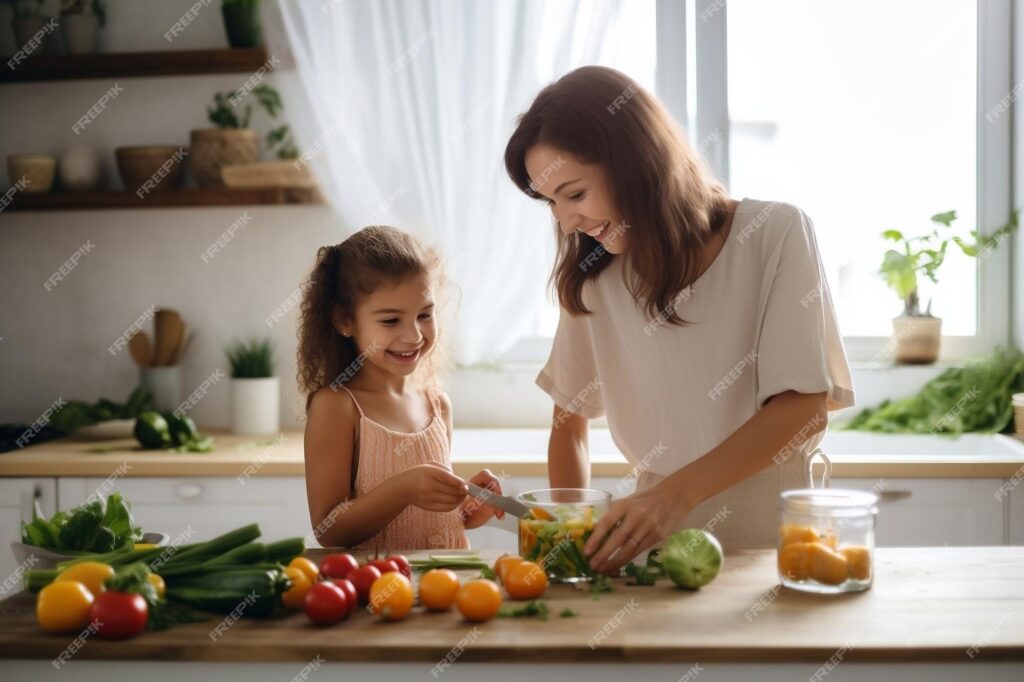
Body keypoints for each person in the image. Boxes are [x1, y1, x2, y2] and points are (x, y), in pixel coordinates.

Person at [504, 66, 855, 575]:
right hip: (654, 556)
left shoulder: (774, 233)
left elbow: (803, 409)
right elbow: (570, 422)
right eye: (551, 203)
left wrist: (673, 497)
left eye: (574, 194)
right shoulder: (595, 277)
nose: (565, 221)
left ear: (634, 161)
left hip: (774, 546)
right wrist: (569, 536)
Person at [299, 225, 504, 550]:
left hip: (445, 589)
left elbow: (430, 520)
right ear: (344, 321)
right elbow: (329, 529)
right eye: (391, 321)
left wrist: (469, 504)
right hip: (382, 591)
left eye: (425, 314)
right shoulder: (337, 406)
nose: (414, 335)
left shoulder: (437, 403)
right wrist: (404, 488)